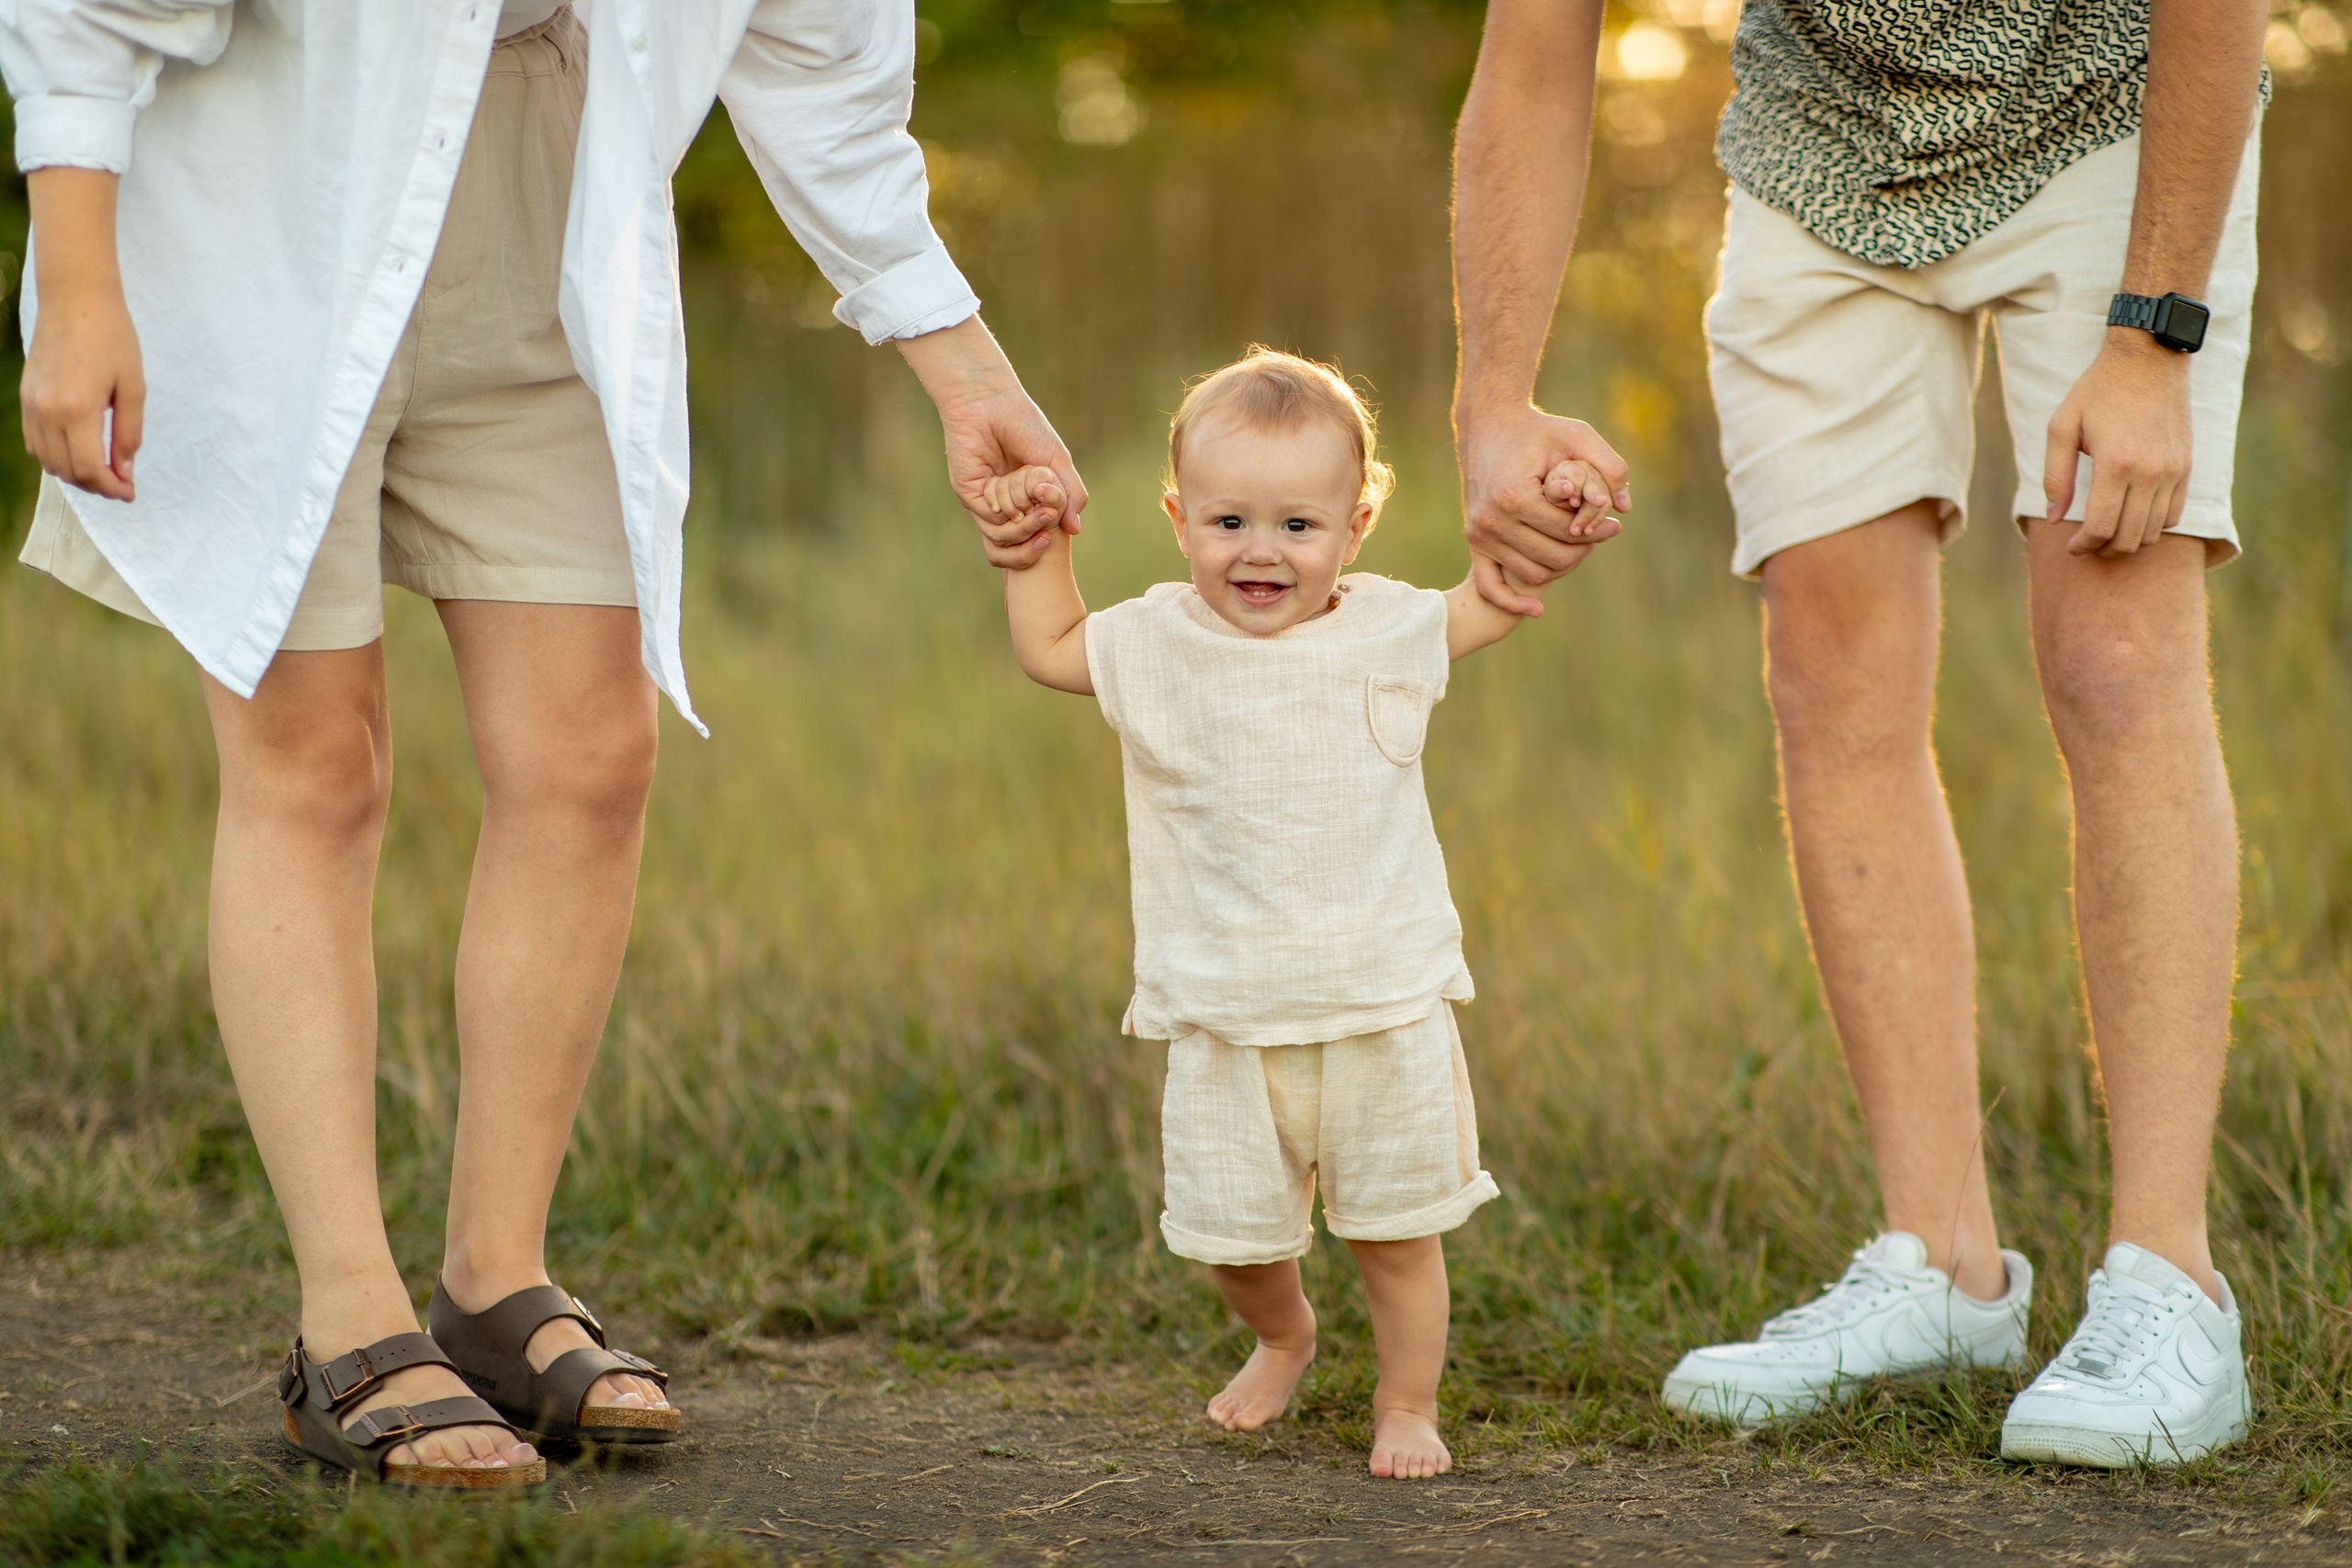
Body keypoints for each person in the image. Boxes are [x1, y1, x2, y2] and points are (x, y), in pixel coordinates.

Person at [7, 0, 1082, 1487]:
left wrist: (966, 372)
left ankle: (495, 1284)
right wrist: (75, 275)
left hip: (560, 225)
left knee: (589, 756)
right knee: (315, 764)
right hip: (268, 213)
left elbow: (820, 56)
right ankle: (349, 1318)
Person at [1450, 0, 2267, 1465]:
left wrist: (2156, 335)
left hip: (2110, 130)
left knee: (2117, 653)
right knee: (1828, 675)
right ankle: (1942, 1261)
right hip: (1822, 151)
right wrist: (1492, 397)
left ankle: (2170, 1281)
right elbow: (1533, 50)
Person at [979, 347, 1614, 1479]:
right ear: (1178, 519)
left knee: (1394, 1240)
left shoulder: (1388, 628)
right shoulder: (1156, 639)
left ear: (1357, 525)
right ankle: (1285, 1333)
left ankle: (1407, 1404)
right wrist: (1035, 547)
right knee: (1232, 1241)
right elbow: (1049, 648)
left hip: (1380, 1011)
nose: (1259, 551)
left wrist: (1549, 514)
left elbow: (1494, 600)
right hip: (1224, 1020)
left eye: (1297, 526)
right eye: (1227, 521)